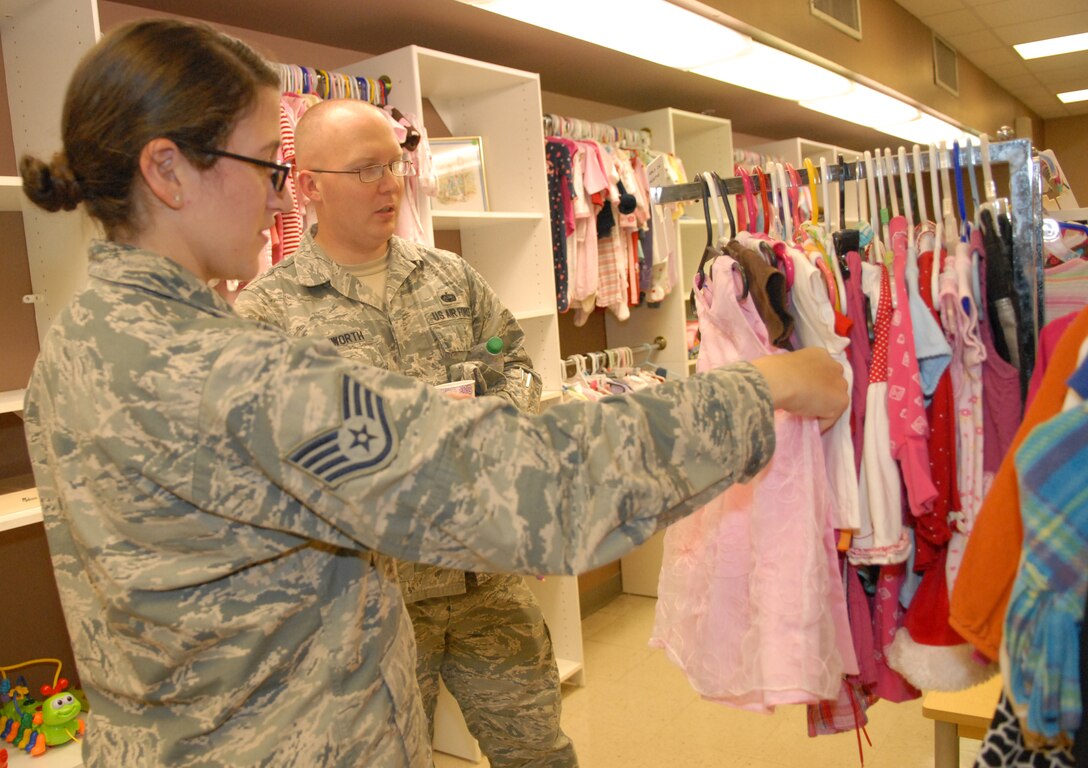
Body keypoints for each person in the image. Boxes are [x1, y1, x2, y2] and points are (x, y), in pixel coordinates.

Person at [19, 17, 848, 768]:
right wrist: (761, 386)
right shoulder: (228, 370)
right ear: (166, 170)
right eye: (265, 169)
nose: (279, 196)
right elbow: (540, 488)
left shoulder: (75, 347)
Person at [234, 98, 577, 768]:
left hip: (488, 587)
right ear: (308, 187)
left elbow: (516, 370)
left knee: (540, 755)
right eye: (365, 170)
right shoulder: (265, 314)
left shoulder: (451, 279)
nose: (389, 184)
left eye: (394, 165)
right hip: (368, 610)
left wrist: (494, 426)